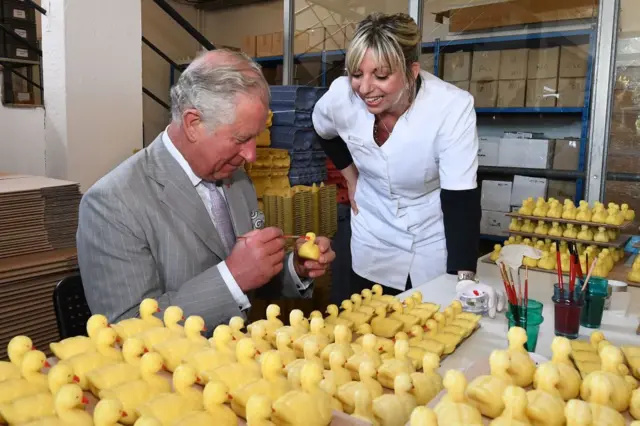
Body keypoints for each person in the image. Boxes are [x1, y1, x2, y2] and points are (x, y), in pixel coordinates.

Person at [77, 49, 336, 330]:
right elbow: (128, 329)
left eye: (254, 138)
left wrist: (292, 269)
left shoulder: (236, 180)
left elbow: (249, 282)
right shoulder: (112, 204)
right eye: (240, 139)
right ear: (193, 123)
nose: (250, 155)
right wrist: (233, 277)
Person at [313, 13, 483, 299]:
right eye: (356, 74)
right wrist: (351, 177)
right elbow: (322, 130)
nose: (365, 88)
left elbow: (461, 200)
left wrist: (464, 277)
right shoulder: (342, 97)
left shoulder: (451, 108)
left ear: (411, 71)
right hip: (373, 234)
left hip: (428, 238)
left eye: (380, 76)